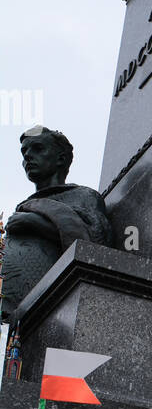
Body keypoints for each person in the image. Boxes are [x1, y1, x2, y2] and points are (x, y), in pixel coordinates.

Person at [2, 127, 112, 319]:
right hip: (14, 312)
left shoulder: (83, 196)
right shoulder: (24, 205)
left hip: (51, 310)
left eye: (37, 148)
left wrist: (36, 223)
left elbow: (94, 248)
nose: (28, 156)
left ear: (60, 159)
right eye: (24, 152)